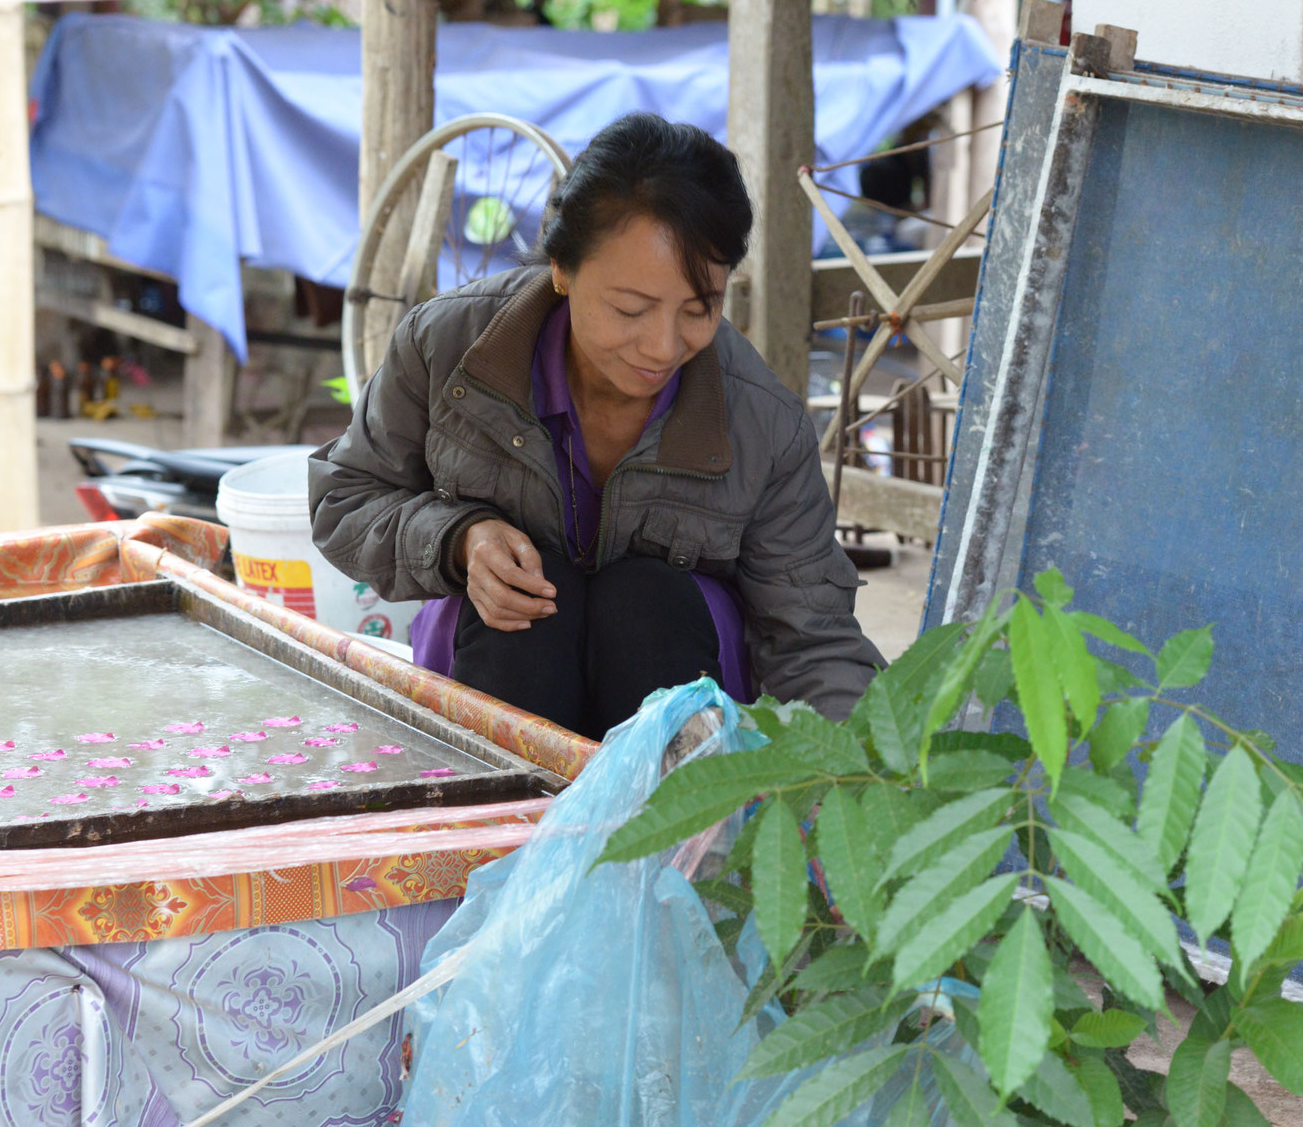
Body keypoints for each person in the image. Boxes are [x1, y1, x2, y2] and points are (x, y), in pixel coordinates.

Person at [309, 113, 881, 740]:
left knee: (644, 600)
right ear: (562, 268)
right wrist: (458, 539)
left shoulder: (762, 424)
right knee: (534, 604)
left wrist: (872, 780)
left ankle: (673, 821)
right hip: (495, 666)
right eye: (630, 309)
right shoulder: (446, 348)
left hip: (677, 678)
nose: (663, 347)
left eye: (699, 309)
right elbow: (345, 498)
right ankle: (505, 821)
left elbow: (813, 636)